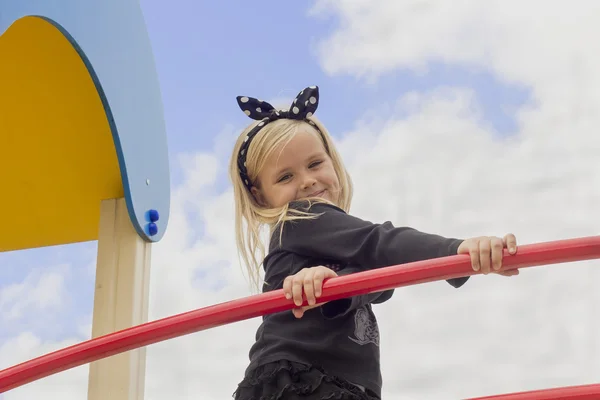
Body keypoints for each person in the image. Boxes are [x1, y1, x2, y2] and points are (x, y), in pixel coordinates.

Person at [229, 86, 519, 400]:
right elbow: (378, 242)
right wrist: (457, 251)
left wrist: (335, 283)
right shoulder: (300, 218)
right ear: (260, 196)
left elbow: (378, 280)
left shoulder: (328, 242)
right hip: (300, 380)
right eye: (285, 177)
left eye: (315, 164)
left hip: (339, 384)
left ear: (332, 161)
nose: (307, 180)